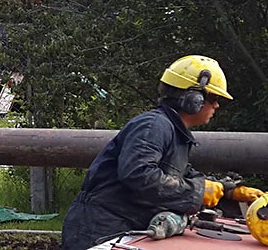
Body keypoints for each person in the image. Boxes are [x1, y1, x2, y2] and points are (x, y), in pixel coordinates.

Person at [61, 55, 262, 249]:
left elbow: (179, 175)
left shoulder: (172, 132)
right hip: (100, 232)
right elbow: (138, 174)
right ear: (194, 99)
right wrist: (198, 192)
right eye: (214, 98)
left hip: (123, 229)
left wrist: (227, 191)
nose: (217, 105)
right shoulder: (153, 126)